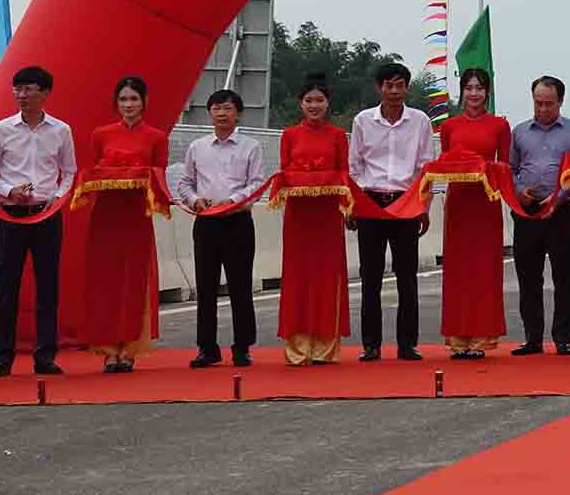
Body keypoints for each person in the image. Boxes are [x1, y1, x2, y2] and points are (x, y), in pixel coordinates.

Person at [0, 66, 75, 378]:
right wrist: (10, 190)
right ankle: (2, 357)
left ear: (45, 93)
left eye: (28, 89)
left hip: (47, 216)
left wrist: (56, 197)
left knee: (48, 286)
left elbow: (70, 172)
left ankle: (45, 355)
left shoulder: (61, 131)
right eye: (17, 89)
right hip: (12, 215)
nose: (22, 95)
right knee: (7, 286)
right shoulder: (1, 129)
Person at [348, 62, 433, 362]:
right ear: (379, 88)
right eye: (388, 85)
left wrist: (423, 206)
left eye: (399, 85)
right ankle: (371, 345)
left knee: (407, 277)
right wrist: (354, 205)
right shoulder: (362, 121)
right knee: (370, 277)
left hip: (406, 202)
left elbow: (425, 167)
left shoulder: (420, 121)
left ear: (406, 88)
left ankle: (407, 344)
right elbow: (355, 166)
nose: (394, 91)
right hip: (371, 202)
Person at [83, 76, 169, 373]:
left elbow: (160, 176)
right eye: (123, 99)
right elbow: (93, 171)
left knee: (134, 279)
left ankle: (130, 348)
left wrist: (139, 174)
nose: (128, 104)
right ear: (115, 103)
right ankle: (108, 350)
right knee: (105, 280)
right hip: (105, 216)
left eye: (134, 99)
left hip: (137, 216)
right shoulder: (100, 135)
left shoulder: (157, 137)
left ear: (144, 102)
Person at [177, 84, 265, 368]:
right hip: (206, 223)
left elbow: (256, 184)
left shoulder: (251, 146)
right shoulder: (197, 147)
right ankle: (207, 348)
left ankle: (242, 347)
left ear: (238, 113)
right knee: (206, 287)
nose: (222, 113)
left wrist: (233, 200)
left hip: (237, 222)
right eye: (216, 108)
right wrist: (194, 200)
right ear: (209, 113)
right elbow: (185, 183)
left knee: (240, 286)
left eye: (228, 108)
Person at [275, 74, 352, 365]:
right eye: (309, 100)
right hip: (298, 217)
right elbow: (285, 172)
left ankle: (324, 347)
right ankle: (298, 348)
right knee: (298, 276)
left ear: (328, 103)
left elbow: (344, 173)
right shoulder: (289, 135)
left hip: (328, 217)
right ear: (301, 104)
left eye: (319, 100)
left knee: (327, 276)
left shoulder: (338, 136)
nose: (314, 105)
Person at [437, 68, 510, 360]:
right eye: (469, 88)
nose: (474, 93)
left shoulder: (500, 126)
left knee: (484, 270)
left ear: (487, 92)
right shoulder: (449, 127)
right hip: (458, 204)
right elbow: (444, 162)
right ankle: (458, 339)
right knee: (458, 271)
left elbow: (505, 166)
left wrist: (483, 168)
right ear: (462, 91)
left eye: (479, 88)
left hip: (486, 203)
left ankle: (480, 338)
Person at [510, 75, 570, 357]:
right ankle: (532, 339)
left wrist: (558, 197)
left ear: (560, 101)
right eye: (538, 103)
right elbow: (510, 168)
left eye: (549, 103)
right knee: (528, 277)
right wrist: (519, 191)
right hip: (526, 212)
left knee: (564, 276)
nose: (542, 109)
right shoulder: (519, 132)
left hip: (562, 211)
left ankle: (562, 338)